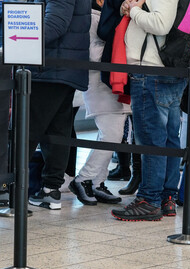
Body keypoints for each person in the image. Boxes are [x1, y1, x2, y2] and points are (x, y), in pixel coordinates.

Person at [111, 0, 187, 221]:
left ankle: (149, 200)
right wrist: (130, 7)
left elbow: (161, 24)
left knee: (151, 140)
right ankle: (166, 197)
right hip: (166, 71)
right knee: (169, 139)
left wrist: (133, 10)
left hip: (151, 72)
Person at [27, 0, 91, 210]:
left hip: (49, 67)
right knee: (57, 130)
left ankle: (8, 187)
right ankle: (50, 190)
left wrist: (21, 42)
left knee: (27, 128)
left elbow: (54, 24)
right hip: (61, 67)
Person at [70, 0, 130, 206]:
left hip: (113, 78)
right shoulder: (90, 14)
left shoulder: (109, 10)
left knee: (111, 133)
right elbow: (90, 51)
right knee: (112, 134)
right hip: (99, 79)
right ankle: (83, 179)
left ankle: (97, 182)